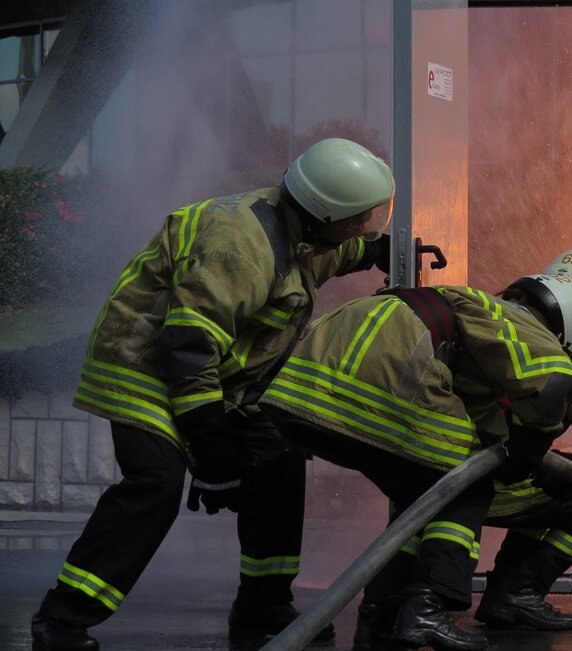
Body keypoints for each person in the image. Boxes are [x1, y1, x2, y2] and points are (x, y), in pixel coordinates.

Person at [30, 137, 398, 651]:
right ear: (324, 210)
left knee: (280, 456)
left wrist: (385, 253)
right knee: (155, 484)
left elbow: (332, 256)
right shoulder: (241, 245)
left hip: (210, 376)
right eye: (358, 219)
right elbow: (187, 347)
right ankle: (62, 620)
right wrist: (214, 454)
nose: (364, 227)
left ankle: (263, 604)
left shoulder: (299, 231)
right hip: (146, 369)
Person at [259, 274, 572, 651]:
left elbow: (482, 422)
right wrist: (531, 449)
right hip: (379, 378)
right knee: (464, 487)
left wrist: (519, 459)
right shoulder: (522, 324)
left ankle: (382, 614)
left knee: (421, 495)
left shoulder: (465, 315)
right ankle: (428, 606)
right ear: (566, 329)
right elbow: (555, 384)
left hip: (301, 390)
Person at [475, 248, 572, 631]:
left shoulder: (499, 314)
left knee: (553, 479)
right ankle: (519, 591)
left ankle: (502, 596)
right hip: (494, 477)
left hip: (448, 463)